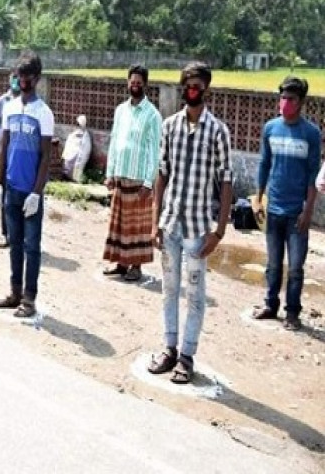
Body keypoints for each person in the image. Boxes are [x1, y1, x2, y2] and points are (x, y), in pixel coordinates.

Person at [148, 61, 232, 385]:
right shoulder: (170, 126)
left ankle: (187, 356)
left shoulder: (218, 131)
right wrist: (155, 222)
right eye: (187, 84)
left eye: (197, 84)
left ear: (206, 89)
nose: (191, 89)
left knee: (195, 295)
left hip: (198, 230)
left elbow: (226, 182)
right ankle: (169, 348)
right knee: (169, 289)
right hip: (170, 224)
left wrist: (219, 230)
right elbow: (162, 174)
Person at [251, 77, 321, 331]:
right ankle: (271, 304)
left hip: (297, 213)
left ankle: (293, 312)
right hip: (274, 207)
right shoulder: (271, 128)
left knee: (295, 267)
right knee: (272, 262)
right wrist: (259, 197)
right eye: (282, 97)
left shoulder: (311, 134)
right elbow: (264, 164)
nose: (285, 103)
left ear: (301, 102)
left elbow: (314, 175)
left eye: (291, 99)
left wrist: (308, 209)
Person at [0, 53, 54, 318]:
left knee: (32, 247)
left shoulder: (44, 113)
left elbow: (46, 157)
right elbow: (4, 147)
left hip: (30, 192)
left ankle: (29, 299)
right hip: (11, 188)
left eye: (28, 77)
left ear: (37, 78)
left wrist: (37, 194)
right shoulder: (9, 107)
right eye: (20, 76)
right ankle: (15, 292)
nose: (24, 81)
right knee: (14, 244)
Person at [102, 65, 162, 282]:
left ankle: (136, 267)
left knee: (137, 227)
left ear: (145, 84)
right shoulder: (120, 110)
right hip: (120, 176)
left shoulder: (153, 115)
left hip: (139, 180)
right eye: (132, 82)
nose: (135, 85)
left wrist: (149, 182)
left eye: (139, 82)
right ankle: (120, 264)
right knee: (119, 224)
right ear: (127, 83)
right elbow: (114, 141)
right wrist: (109, 173)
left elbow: (155, 151)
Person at [0, 77, 19, 248]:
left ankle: (17, 234)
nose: (16, 80)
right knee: (2, 190)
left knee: (17, 193)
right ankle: (5, 233)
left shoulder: (28, 103)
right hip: (4, 153)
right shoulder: (2, 101)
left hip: (19, 154)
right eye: (13, 76)